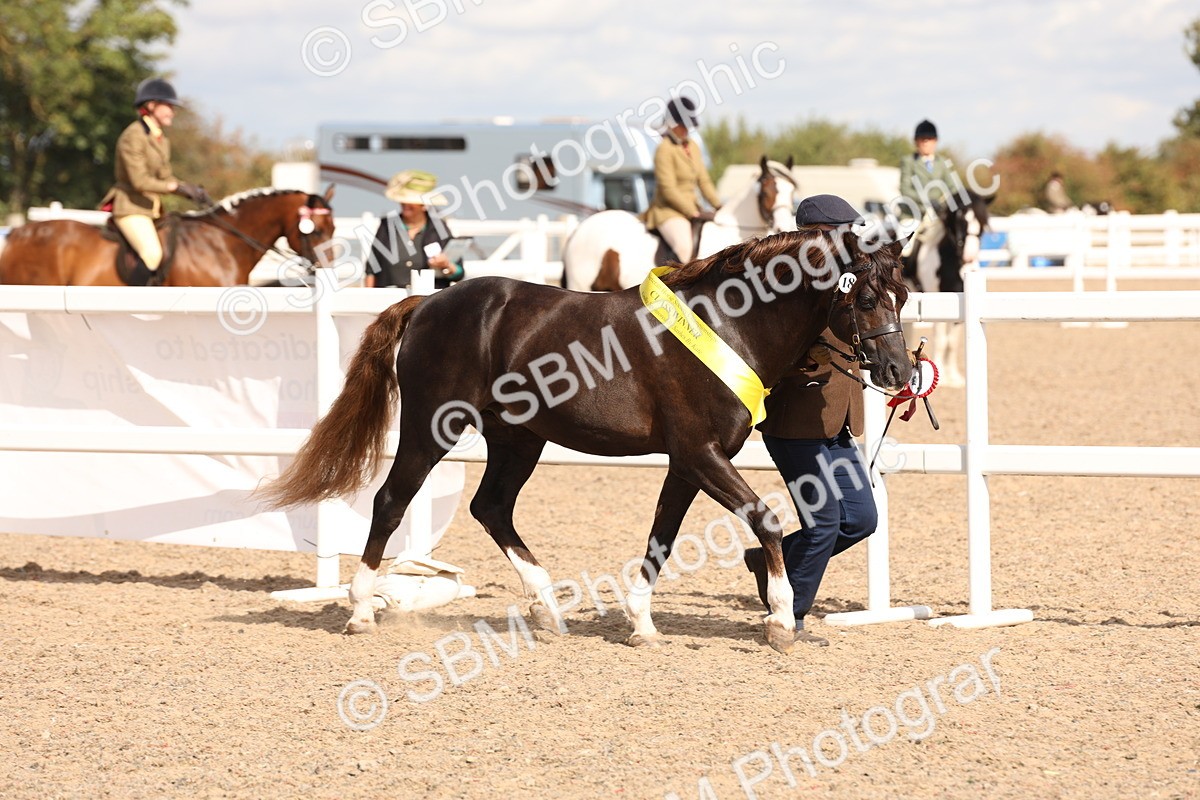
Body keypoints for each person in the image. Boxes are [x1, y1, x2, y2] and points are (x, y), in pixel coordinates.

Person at [742, 194, 881, 647]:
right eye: (845, 230)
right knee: (822, 522)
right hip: (796, 421)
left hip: (838, 419)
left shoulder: (846, 276)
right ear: (819, 233)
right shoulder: (788, 281)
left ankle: (768, 561)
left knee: (860, 520)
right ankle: (789, 617)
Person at [100, 77, 209, 286]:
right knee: (152, 253)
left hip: (153, 209)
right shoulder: (133, 136)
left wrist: (188, 189)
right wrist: (172, 187)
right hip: (130, 207)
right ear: (151, 106)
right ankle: (134, 304)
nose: (172, 111)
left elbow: (166, 177)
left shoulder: (161, 139)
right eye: (167, 105)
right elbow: (139, 181)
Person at [642, 96, 722, 264]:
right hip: (668, 211)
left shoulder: (693, 146)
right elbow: (667, 188)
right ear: (672, 123)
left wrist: (719, 205)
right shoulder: (664, 149)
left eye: (688, 125)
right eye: (682, 125)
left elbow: (704, 180)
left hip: (694, 209)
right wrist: (690, 211)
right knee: (685, 247)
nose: (686, 129)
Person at [364, 170, 465, 290]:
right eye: (404, 199)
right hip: (391, 301)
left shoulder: (439, 228)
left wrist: (446, 265)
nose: (406, 203)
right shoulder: (386, 226)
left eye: (411, 200)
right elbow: (372, 268)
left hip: (427, 302)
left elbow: (459, 272)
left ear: (424, 205)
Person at [898, 119, 964, 291]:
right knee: (904, 247)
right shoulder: (909, 161)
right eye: (922, 140)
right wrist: (927, 203)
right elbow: (905, 189)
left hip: (938, 214)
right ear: (917, 142)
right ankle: (904, 278)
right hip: (913, 214)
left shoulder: (943, 163)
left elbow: (953, 188)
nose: (925, 143)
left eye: (929, 140)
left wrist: (945, 204)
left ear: (935, 142)